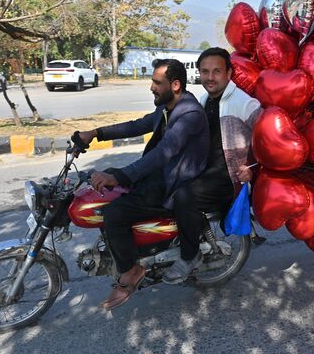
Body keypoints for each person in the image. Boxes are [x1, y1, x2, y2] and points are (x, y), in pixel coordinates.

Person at [75, 58, 209, 310]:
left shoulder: (188, 113)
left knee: (113, 212)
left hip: (174, 183)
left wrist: (121, 177)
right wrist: (95, 133)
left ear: (176, 84)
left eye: (157, 82)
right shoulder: (168, 106)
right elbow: (137, 125)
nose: (151, 87)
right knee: (105, 181)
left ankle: (130, 271)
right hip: (161, 174)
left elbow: (164, 152)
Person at [162, 47, 262, 284]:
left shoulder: (244, 103)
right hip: (204, 170)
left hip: (228, 177)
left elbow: (268, 139)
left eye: (217, 71)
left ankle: (190, 256)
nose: (210, 77)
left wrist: (252, 167)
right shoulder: (205, 99)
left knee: (184, 196)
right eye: (205, 71)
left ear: (229, 72)